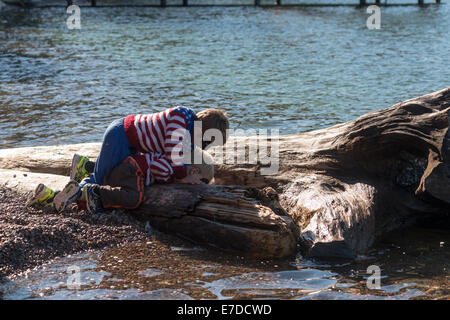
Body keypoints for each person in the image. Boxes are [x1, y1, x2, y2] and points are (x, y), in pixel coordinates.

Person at [53, 107, 228, 212]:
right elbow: (172, 152)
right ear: (202, 128)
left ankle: (85, 166)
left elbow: (182, 158)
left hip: (134, 147)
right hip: (121, 135)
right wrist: (183, 176)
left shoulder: (190, 134)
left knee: (112, 172)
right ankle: (70, 193)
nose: (204, 146)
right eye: (206, 141)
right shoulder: (181, 118)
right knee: (102, 177)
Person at [26, 148, 215, 214]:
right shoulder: (175, 168)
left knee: (88, 202)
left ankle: (47, 195)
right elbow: (157, 170)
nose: (201, 186)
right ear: (194, 170)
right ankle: (92, 192)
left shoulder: (174, 160)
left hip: (128, 169)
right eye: (202, 181)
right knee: (134, 198)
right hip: (131, 170)